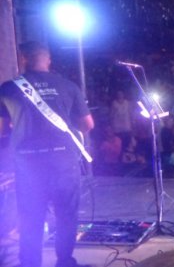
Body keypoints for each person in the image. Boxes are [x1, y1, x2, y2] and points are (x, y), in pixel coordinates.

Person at [0, 41, 95, 267]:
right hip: (64, 163)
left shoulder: (8, 88)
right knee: (66, 217)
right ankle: (65, 262)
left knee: (31, 219)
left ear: (23, 59)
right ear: (48, 59)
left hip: (30, 166)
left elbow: (1, 129)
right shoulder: (68, 85)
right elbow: (87, 124)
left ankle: (30, 263)